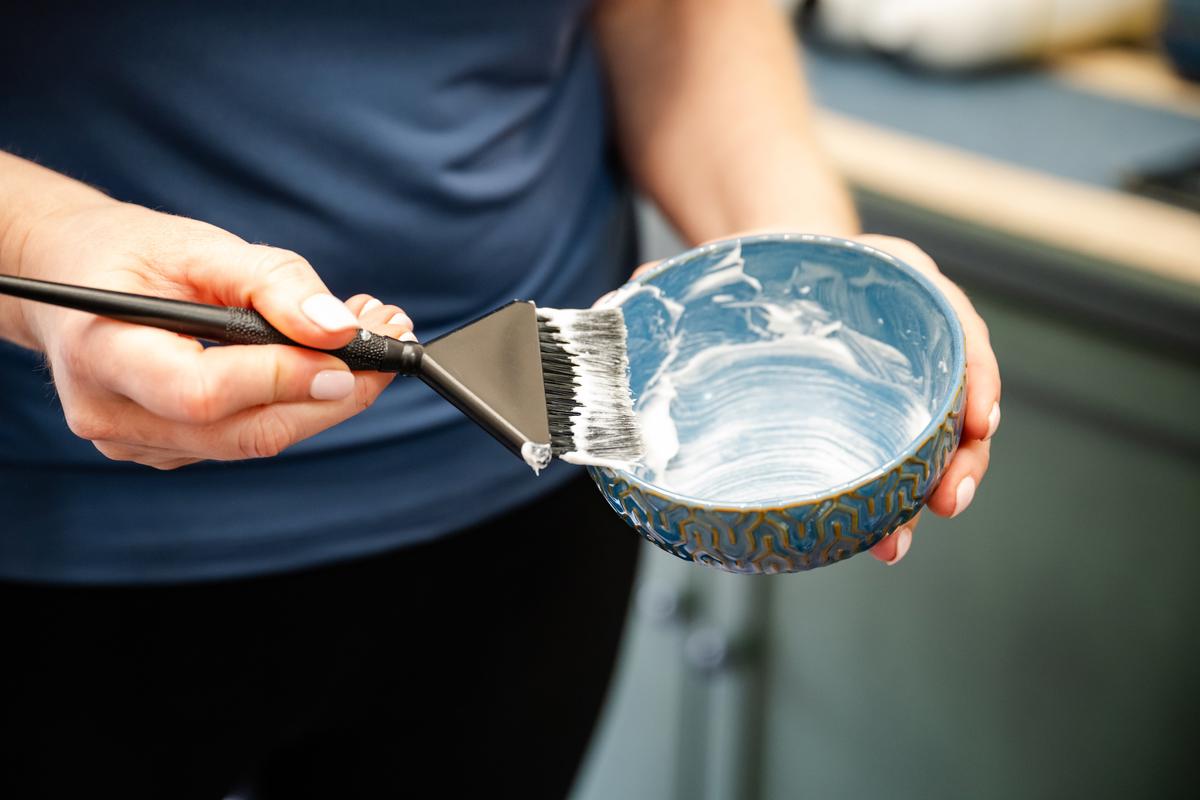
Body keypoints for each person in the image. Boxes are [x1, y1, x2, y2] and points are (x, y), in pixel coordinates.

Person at [0, 1, 1001, 798]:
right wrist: (37, 242)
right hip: (58, 551)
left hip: (525, 526)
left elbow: (665, 14)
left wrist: (810, 277)